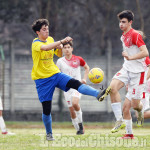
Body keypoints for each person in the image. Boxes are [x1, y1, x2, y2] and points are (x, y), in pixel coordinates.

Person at [31, 19, 111, 141]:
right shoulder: (35, 43)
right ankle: (49, 134)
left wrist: (60, 47)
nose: (47, 31)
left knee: (75, 83)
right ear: (37, 32)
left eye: (47, 28)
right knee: (47, 109)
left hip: (55, 74)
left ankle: (98, 94)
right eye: (44, 29)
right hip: (42, 80)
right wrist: (61, 41)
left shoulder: (51, 39)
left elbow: (58, 53)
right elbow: (46, 48)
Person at [98, 10, 149, 133]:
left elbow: (145, 52)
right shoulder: (123, 36)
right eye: (120, 22)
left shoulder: (135, 35)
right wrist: (128, 59)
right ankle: (119, 121)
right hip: (126, 69)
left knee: (134, 105)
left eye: (124, 22)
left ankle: (140, 110)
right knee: (112, 88)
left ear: (130, 22)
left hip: (138, 74)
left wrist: (130, 57)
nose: (121, 24)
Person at [56, 41, 89, 135]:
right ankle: (78, 128)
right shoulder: (60, 61)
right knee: (71, 110)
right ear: (62, 49)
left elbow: (87, 68)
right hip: (67, 88)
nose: (66, 49)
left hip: (77, 86)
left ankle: (81, 126)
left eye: (68, 47)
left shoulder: (78, 59)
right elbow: (57, 74)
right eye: (65, 48)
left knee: (75, 103)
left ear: (72, 49)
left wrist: (84, 79)